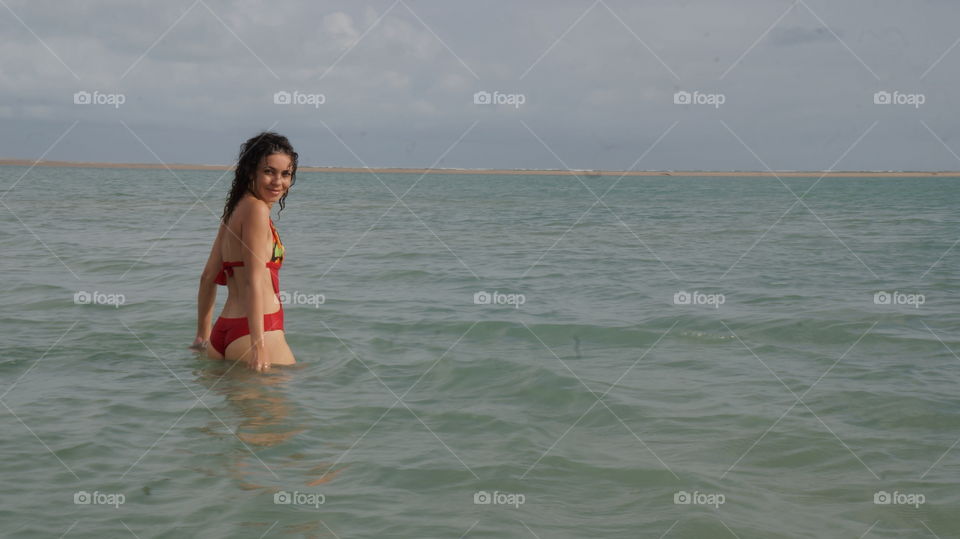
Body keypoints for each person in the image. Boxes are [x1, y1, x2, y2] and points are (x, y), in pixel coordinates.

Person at [190, 131, 298, 372]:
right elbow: (253, 280)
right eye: (269, 171)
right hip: (256, 332)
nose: (278, 181)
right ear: (251, 172)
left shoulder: (234, 211)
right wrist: (258, 346)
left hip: (223, 333)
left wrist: (202, 335)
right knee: (299, 388)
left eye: (285, 174)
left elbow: (207, 277)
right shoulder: (257, 211)